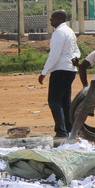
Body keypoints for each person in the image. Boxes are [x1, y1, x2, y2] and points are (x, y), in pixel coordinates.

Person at [38, 10, 80, 138]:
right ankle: (69, 129)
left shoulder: (59, 33)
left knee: (54, 101)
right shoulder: (70, 32)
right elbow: (76, 51)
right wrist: (76, 57)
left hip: (60, 70)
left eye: (52, 18)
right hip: (70, 70)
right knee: (65, 102)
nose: (50, 21)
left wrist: (44, 72)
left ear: (60, 18)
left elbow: (54, 55)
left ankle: (61, 131)